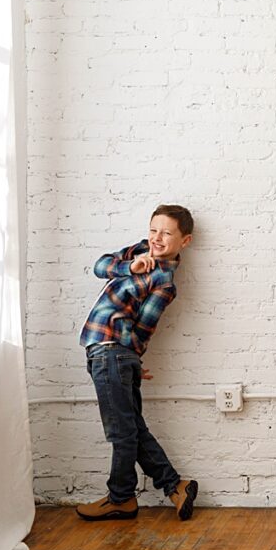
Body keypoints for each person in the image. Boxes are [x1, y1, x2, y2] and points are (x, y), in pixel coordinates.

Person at [76, 205, 199, 522]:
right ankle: (175, 486)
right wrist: (130, 266)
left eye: (167, 233)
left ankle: (121, 498)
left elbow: (144, 327)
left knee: (121, 432)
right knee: (132, 427)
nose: (157, 238)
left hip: (110, 350)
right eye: (153, 230)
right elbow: (100, 266)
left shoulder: (164, 282)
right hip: (111, 352)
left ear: (184, 241)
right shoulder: (140, 251)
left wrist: (130, 357)